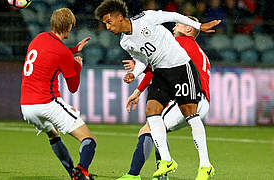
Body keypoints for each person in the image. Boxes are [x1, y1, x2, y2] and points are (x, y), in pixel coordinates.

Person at [94, 0, 220, 179]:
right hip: (165, 75)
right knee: (152, 113)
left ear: (120, 17)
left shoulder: (155, 24)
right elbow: (145, 61)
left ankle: (204, 165)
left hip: (181, 71)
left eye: (108, 21)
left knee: (176, 119)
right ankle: (165, 163)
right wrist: (135, 72)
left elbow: (173, 16)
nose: (107, 27)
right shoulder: (125, 42)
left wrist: (200, 25)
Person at [121, 16, 214, 180]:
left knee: (149, 129)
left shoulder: (179, 43)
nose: (175, 25)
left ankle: (133, 175)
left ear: (188, 29)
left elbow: (159, 69)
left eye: (180, 23)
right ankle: (163, 174)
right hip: (203, 101)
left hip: (188, 96)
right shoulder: (200, 51)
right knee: (158, 129)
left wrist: (138, 88)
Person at [20, 8, 96, 180]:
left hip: (26, 106)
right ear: (69, 27)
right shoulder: (62, 52)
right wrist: (77, 66)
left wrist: (74, 49)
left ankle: (73, 174)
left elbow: (53, 52)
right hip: (47, 103)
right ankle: (81, 171)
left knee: (53, 134)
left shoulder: (39, 38)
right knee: (89, 139)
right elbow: (73, 87)